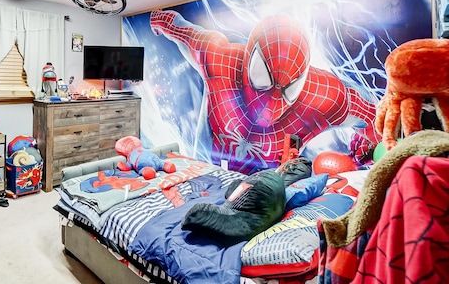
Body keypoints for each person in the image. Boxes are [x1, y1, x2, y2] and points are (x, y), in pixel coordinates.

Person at [150, 10, 378, 173]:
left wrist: (366, 144)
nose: (271, 104)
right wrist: (159, 20)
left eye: (289, 89)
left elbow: (374, 116)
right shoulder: (220, 57)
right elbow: (180, 29)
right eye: (263, 78)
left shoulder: (325, 94)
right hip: (209, 165)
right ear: (249, 58)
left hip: (271, 181)